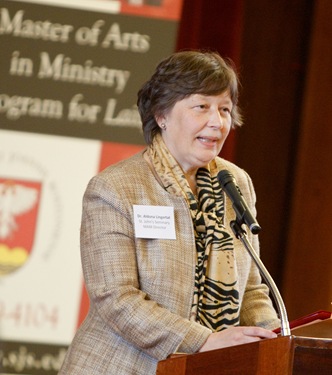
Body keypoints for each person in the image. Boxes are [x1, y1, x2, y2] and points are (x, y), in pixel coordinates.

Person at [59, 50, 279, 375]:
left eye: (225, 110)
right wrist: (203, 341)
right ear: (162, 114)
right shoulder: (116, 187)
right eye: (202, 107)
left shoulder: (236, 184)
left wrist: (276, 337)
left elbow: (250, 289)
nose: (217, 122)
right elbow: (116, 298)